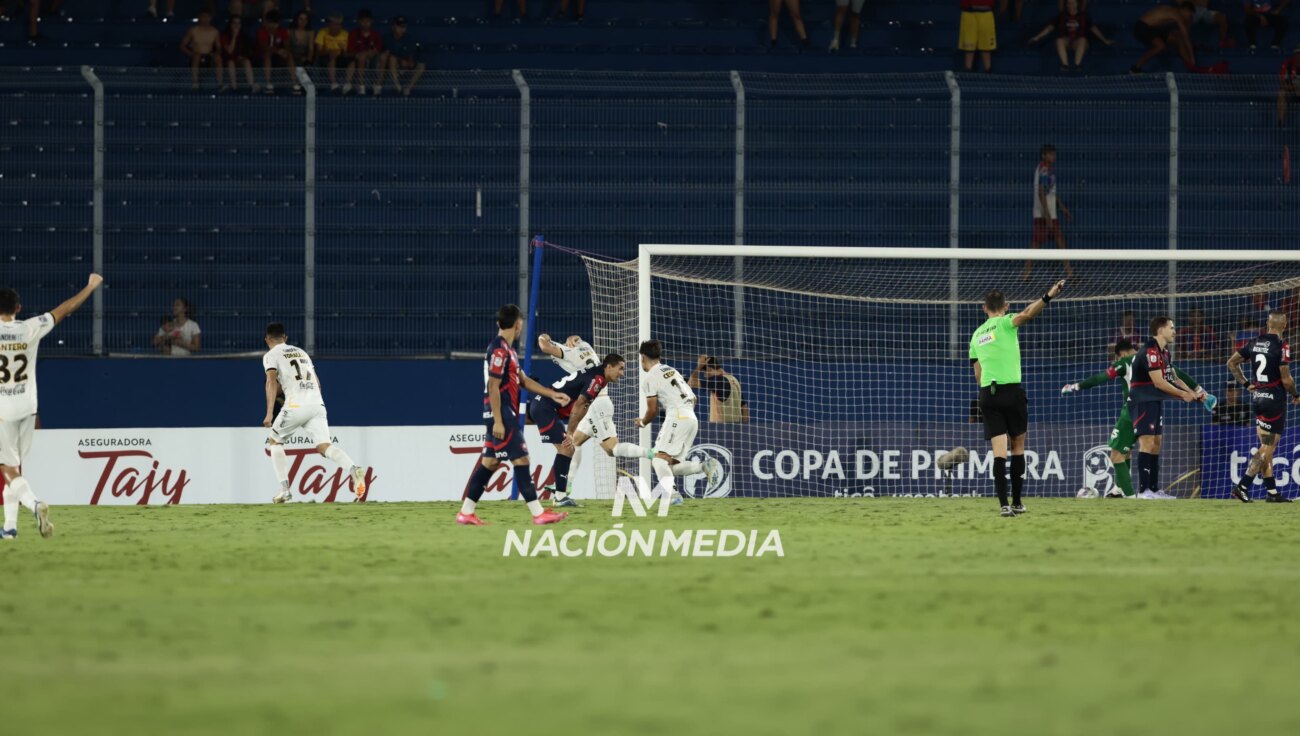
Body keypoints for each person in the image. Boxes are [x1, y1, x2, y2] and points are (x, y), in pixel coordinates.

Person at [0, 273, 103, 540]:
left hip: (2, 411)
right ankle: (9, 529)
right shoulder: (30, 327)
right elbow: (66, 308)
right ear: (18, 309)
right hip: (28, 406)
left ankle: (34, 504)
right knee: (15, 468)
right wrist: (90, 286)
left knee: (7, 469)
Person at [457, 305, 571, 526]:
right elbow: (493, 385)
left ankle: (466, 512)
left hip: (499, 413)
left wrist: (553, 395)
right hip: (501, 413)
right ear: (518, 324)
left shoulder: (509, 351)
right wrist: (499, 420)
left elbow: (524, 381)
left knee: (489, 463)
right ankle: (538, 513)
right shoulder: (499, 350)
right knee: (522, 459)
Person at [1063, 338, 1206, 498]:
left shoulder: (1124, 362)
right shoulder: (1154, 359)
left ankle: (1131, 497)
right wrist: (1198, 389)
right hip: (1153, 408)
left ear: (1121, 354)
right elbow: (1177, 373)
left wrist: (1076, 386)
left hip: (1133, 410)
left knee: (1116, 454)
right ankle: (1123, 488)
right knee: (1137, 449)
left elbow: (1100, 378)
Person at [969, 280, 1065, 517]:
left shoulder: (975, 335)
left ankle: (1003, 505)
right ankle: (1017, 502)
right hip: (1011, 392)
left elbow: (978, 376)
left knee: (998, 453)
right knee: (1018, 446)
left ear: (984, 308)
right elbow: (1026, 314)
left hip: (988, 396)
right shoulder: (1004, 323)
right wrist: (1048, 295)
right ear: (1006, 305)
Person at [262, 323, 368, 503]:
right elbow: (316, 382)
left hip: (295, 405)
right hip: (316, 403)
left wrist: (269, 413)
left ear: (267, 339)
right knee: (324, 446)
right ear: (285, 338)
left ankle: (285, 490)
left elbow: (271, 382)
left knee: (275, 441)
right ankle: (353, 469)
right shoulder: (302, 352)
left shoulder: (270, 355)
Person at [610, 340, 721, 505]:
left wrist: (642, 422)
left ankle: (673, 495)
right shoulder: (671, 370)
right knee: (670, 465)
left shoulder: (650, 378)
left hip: (677, 417)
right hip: (691, 417)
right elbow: (694, 397)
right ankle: (703, 466)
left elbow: (652, 410)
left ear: (642, 357)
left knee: (657, 459)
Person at [527, 353, 626, 509]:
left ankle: (560, 496)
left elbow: (582, 406)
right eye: (620, 369)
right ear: (609, 366)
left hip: (543, 405)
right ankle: (560, 498)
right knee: (567, 448)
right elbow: (579, 405)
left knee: (567, 448)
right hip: (546, 408)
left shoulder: (598, 376)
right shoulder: (598, 379)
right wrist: (570, 432)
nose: (622, 373)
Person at [1227, 310, 1300, 502]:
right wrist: (1295, 394)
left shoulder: (1254, 342)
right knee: (1268, 447)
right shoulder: (1282, 345)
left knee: (1266, 446)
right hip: (1274, 400)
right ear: (1284, 325)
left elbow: (1231, 363)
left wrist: (1245, 384)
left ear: (1268, 325)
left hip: (1258, 398)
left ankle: (1272, 493)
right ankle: (1242, 486)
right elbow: (1286, 379)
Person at [1128, 316, 1202, 499]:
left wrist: (1192, 391)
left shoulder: (1164, 352)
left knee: (1157, 443)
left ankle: (1154, 489)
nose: (1174, 331)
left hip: (1154, 401)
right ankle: (1143, 490)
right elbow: (1159, 383)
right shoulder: (1150, 351)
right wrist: (1182, 395)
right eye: (1171, 327)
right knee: (1146, 442)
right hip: (1143, 400)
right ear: (1161, 330)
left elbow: (1173, 377)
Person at [537, 333, 600, 503]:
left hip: (590, 403)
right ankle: (563, 489)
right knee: (571, 445)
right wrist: (575, 337)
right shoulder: (587, 348)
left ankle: (564, 488)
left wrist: (543, 337)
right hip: (594, 399)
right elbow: (576, 339)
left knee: (575, 446)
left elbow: (545, 346)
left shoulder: (569, 353)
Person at [1023, 144, 1073, 281]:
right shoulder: (1044, 169)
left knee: (1059, 241)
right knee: (1037, 244)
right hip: (1044, 215)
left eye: (1054, 154)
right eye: (1050, 154)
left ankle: (1071, 274)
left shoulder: (1048, 170)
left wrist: (1062, 208)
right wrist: (1048, 216)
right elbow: (1041, 192)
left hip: (1049, 214)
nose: (1053, 156)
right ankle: (1025, 274)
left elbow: (1051, 193)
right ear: (1044, 155)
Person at [1027, 0, 1114, 72]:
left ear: (1077, 4)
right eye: (1069, 3)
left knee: (1082, 40)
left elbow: (1094, 29)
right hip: (1067, 42)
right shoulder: (1062, 16)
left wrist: (1105, 40)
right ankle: (1065, 65)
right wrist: (1037, 37)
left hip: (1079, 43)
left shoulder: (1084, 16)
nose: (1071, 5)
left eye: (1073, 3)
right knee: (1059, 40)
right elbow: (1049, 28)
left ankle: (1077, 65)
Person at [1131, 3, 1198, 74]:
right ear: (1185, 10)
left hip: (1151, 28)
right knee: (1161, 46)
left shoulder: (1168, 8)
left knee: (1178, 38)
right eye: (1190, 15)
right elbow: (1186, 37)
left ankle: (1189, 66)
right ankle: (1135, 68)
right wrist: (1192, 57)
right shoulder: (1177, 15)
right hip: (1142, 27)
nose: (1189, 18)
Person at [688, 354, 749, 423]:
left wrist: (698, 367)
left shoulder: (718, 381)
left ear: (709, 369)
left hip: (720, 429)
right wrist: (744, 428)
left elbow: (691, 383)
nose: (705, 376)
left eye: (704, 373)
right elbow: (744, 406)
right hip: (737, 429)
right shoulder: (734, 379)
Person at [379, 16, 425, 97]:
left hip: (405, 65)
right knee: (392, 59)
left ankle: (408, 88)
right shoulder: (386, 38)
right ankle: (397, 86)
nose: (402, 29)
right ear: (393, 27)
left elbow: (410, 58)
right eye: (399, 26)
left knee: (421, 66)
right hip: (392, 65)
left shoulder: (409, 39)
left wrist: (408, 61)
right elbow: (384, 55)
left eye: (403, 27)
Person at [256, 9, 298, 94]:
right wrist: (277, 51)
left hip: (278, 57)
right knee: (267, 55)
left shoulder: (282, 31)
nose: (273, 26)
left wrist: (284, 51)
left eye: (276, 23)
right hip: (261, 56)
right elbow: (263, 47)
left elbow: (287, 46)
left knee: (289, 55)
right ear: (267, 22)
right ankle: (268, 83)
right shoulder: (261, 31)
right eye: (271, 23)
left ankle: (294, 83)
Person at [343, 8, 383, 95]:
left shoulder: (376, 34)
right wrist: (361, 54)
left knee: (381, 58)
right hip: (357, 58)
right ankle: (361, 85)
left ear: (371, 21)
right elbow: (350, 51)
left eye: (367, 21)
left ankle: (378, 85)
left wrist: (368, 53)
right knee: (361, 57)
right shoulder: (353, 34)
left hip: (373, 58)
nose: (365, 24)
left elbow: (378, 49)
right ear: (359, 22)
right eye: (363, 21)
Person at [181, 9, 224, 90]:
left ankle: (220, 84)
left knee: (218, 58)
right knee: (197, 56)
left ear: (210, 18)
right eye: (203, 17)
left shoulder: (215, 31)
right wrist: (190, 53)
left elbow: (219, 47)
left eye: (208, 17)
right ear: (199, 17)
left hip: (208, 57)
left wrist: (216, 53)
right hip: (195, 56)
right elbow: (182, 46)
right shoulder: (193, 30)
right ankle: (195, 82)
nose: (206, 19)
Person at [221, 16, 259, 93]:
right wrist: (234, 36)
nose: (236, 25)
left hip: (239, 60)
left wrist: (243, 56)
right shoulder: (224, 36)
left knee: (246, 61)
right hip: (227, 60)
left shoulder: (244, 36)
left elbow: (249, 51)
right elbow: (230, 51)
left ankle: (252, 85)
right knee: (231, 62)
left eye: (238, 23)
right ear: (230, 24)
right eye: (234, 23)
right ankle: (234, 86)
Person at [314, 12, 350, 92]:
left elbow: (347, 53)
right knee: (332, 57)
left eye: (339, 24)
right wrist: (329, 51)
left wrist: (342, 51)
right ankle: (334, 84)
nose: (338, 27)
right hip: (325, 57)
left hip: (341, 57)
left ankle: (347, 85)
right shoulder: (322, 32)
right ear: (329, 25)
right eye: (335, 24)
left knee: (352, 62)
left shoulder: (345, 34)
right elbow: (319, 52)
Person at [959, 0, 997, 73]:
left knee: (986, 46)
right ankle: (967, 71)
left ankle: (988, 71)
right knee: (968, 46)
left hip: (986, 12)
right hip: (968, 13)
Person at [1279, 47, 1300, 126]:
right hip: (1291, 90)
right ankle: (1281, 122)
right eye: (1298, 53)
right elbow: (1282, 82)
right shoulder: (1287, 64)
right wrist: (1292, 88)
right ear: (1295, 54)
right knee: (1281, 93)